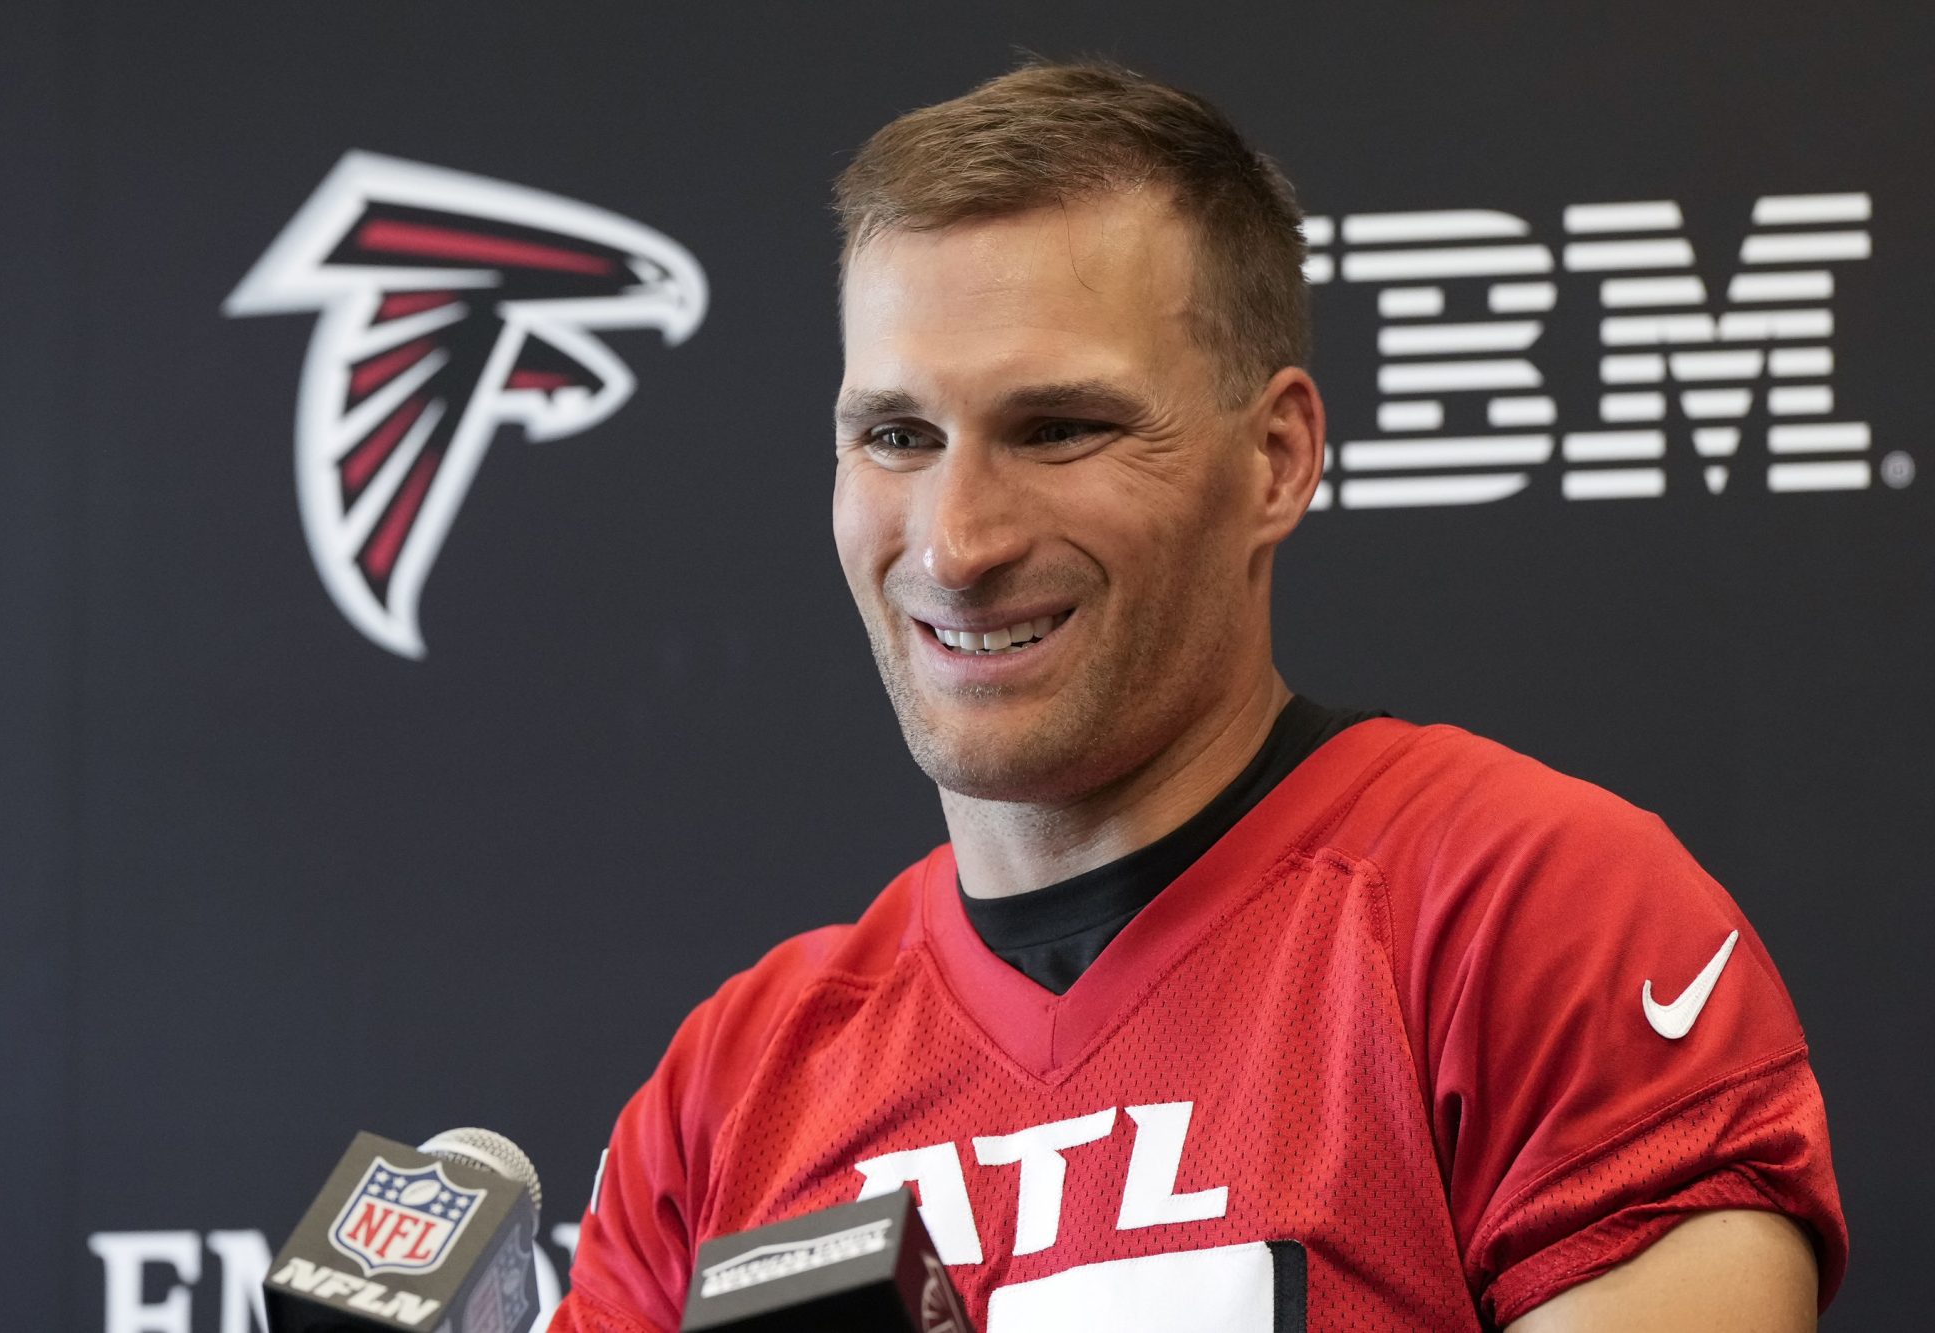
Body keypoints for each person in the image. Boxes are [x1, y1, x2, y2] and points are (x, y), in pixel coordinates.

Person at [549, 61, 1845, 1331]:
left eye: (1060, 428)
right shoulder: (727, 1094)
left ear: (1275, 459)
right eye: (898, 436)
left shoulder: (1526, 915)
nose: (956, 542)